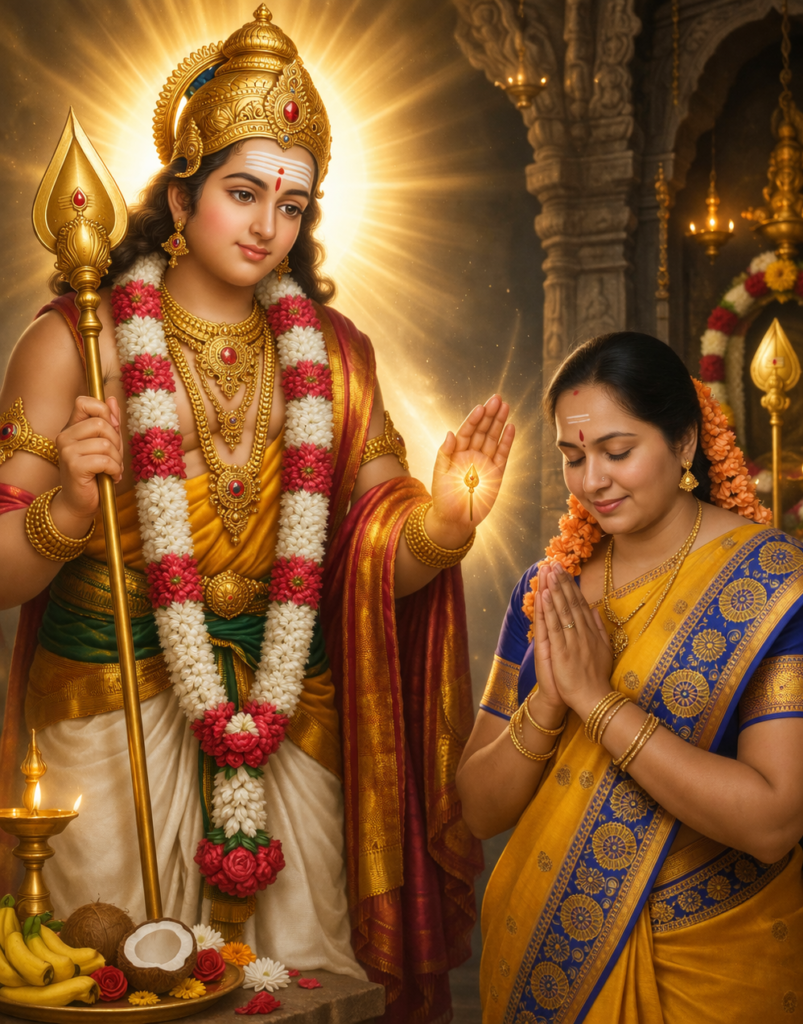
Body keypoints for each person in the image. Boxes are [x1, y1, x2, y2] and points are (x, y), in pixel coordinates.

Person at [0, 7, 516, 1020]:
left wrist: (446, 525)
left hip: (290, 710)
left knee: (298, 985)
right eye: (241, 191)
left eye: (291, 201)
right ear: (182, 189)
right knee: (116, 977)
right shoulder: (78, 340)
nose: (265, 223)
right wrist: (64, 506)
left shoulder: (332, 352)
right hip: (108, 706)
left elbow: (376, 549)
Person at [457, 331, 803, 1023]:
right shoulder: (548, 595)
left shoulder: (769, 587)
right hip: (552, 959)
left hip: (723, 968)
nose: (593, 479)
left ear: (684, 444)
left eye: (617, 452)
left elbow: (776, 820)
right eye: (573, 457)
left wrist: (599, 703)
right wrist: (551, 701)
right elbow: (478, 809)